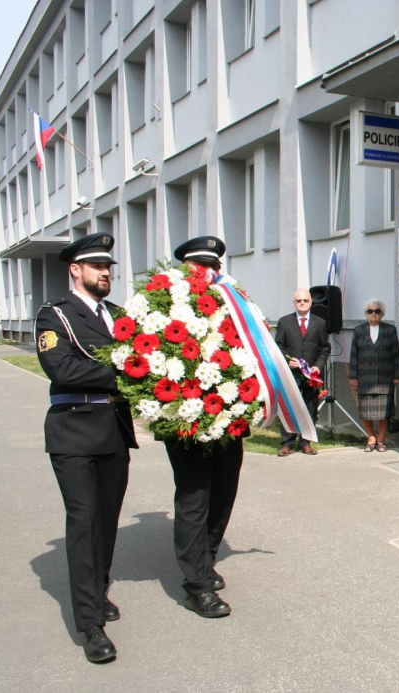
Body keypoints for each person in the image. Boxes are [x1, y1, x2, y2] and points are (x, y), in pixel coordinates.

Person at [36, 233, 138, 663]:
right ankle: (89, 623)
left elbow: (140, 358)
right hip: (74, 431)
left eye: (109, 268)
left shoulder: (117, 316)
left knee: (107, 522)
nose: (105, 274)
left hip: (113, 430)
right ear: (75, 270)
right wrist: (123, 374)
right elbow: (60, 366)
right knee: (83, 522)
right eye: (97, 267)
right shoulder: (54, 314)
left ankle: (97, 592)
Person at [166, 236, 243, 618]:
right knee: (195, 497)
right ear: (185, 269)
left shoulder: (232, 304)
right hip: (186, 420)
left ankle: (206, 558)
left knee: (224, 491)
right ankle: (195, 584)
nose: (208, 274)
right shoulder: (166, 304)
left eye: (213, 267)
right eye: (200, 267)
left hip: (229, 418)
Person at [275, 288, 331, 456]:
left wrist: (318, 366)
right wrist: (287, 360)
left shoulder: (320, 323)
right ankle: (287, 443)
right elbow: (279, 346)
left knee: (310, 408)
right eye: (298, 300)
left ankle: (305, 442)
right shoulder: (285, 322)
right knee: (289, 407)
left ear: (311, 302)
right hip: (290, 373)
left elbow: (324, 348)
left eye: (305, 300)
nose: (302, 303)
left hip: (311, 375)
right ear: (294, 303)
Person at [348, 298, 399, 452]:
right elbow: (353, 355)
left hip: (384, 377)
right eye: (370, 311)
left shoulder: (390, 330)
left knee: (384, 411)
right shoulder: (358, 330)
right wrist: (353, 377)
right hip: (365, 377)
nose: (373, 314)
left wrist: (397, 375)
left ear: (382, 314)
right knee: (366, 411)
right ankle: (370, 437)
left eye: (377, 311)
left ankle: (381, 439)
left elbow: (396, 354)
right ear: (366, 314)